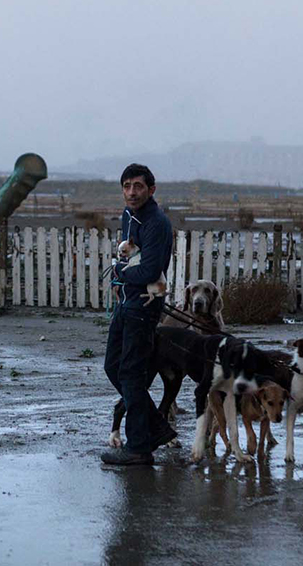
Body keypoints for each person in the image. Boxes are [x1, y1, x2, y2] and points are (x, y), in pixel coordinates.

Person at [100, 163, 176, 465]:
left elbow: (149, 271)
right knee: (113, 366)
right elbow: (129, 257)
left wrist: (119, 272)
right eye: (127, 186)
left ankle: (139, 448)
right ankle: (155, 427)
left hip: (144, 306)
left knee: (131, 373)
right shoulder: (128, 216)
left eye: (138, 186)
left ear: (151, 189)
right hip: (126, 303)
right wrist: (123, 275)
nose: (132, 192)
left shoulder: (157, 223)